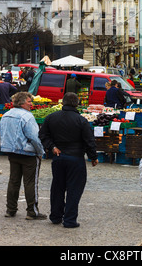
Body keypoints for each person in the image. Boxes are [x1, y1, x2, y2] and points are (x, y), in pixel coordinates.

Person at [39, 92, 98, 228]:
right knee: (74, 189)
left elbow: (43, 135)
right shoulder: (81, 120)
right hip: (76, 158)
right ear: (76, 104)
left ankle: (55, 216)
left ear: (63, 103)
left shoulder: (51, 118)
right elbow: (89, 141)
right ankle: (70, 220)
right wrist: (93, 157)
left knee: (57, 187)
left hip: (58, 157)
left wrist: (52, 147)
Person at [0, 92, 46, 220]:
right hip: (28, 153)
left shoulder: (6, 115)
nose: (31, 104)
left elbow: (2, 133)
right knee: (30, 183)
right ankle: (32, 211)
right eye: (29, 102)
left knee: (14, 181)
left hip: (12, 152)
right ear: (22, 103)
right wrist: (40, 152)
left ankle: (10, 209)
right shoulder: (27, 117)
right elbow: (35, 138)